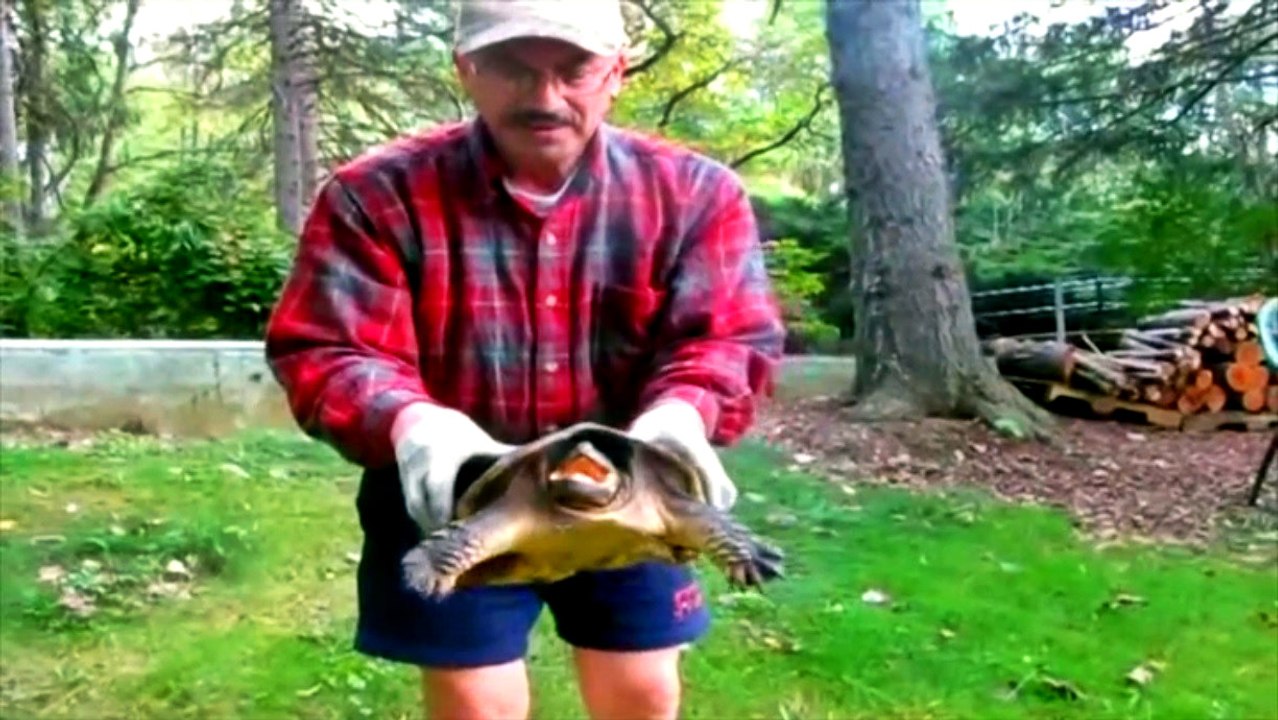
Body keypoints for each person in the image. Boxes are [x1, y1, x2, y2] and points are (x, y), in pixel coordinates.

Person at [263, 1, 785, 718]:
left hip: (629, 481)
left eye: (573, 70)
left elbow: (725, 337)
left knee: (642, 693)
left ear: (616, 73)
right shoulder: (374, 195)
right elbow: (330, 347)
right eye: (511, 68)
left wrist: (683, 414)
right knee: (475, 703)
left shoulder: (696, 194)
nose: (544, 98)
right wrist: (411, 423)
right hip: (459, 492)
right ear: (466, 70)